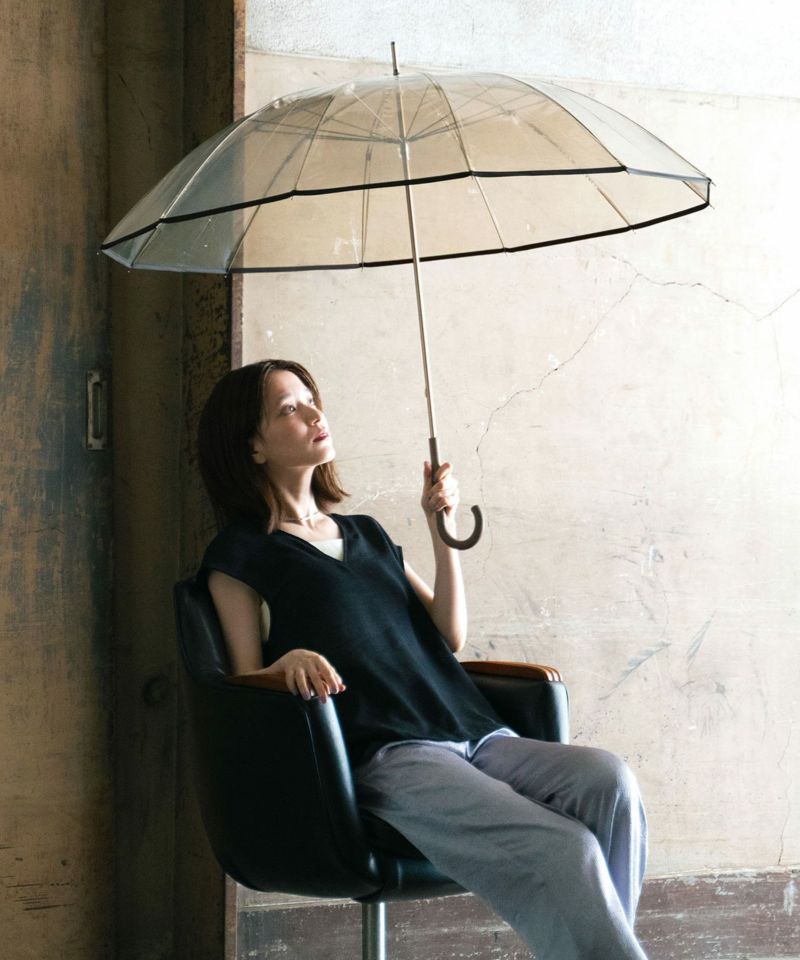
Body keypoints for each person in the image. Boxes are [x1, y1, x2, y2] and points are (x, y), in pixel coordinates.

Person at [197, 358, 650, 960]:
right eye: (289, 409)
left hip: (475, 732)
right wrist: (288, 662)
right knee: (567, 848)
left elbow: (449, 635)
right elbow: (238, 685)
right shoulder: (241, 554)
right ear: (252, 446)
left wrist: (441, 530)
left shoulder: (366, 533)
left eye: (310, 398)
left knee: (611, 784)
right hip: (392, 755)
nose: (314, 413)